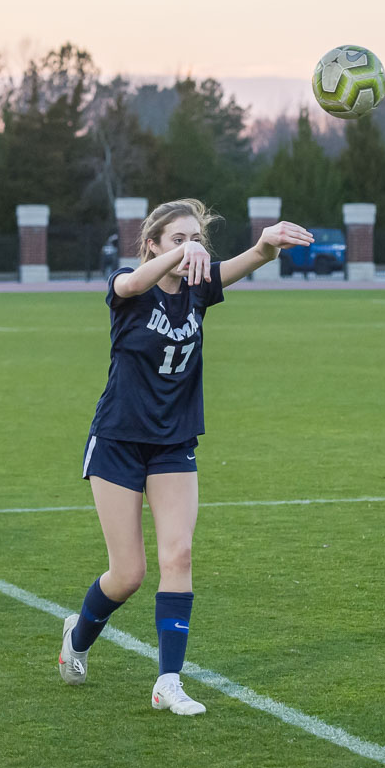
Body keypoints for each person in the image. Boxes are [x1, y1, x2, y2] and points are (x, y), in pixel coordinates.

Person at [59, 199, 312, 715]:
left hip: (174, 443)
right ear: (152, 244)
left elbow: (247, 259)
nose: (192, 247)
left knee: (179, 555)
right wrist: (177, 258)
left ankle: (168, 681)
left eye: (196, 238)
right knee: (127, 574)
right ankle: (77, 637)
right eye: (178, 239)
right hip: (118, 441)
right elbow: (129, 284)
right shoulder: (129, 286)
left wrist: (267, 243)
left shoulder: (200, 288)